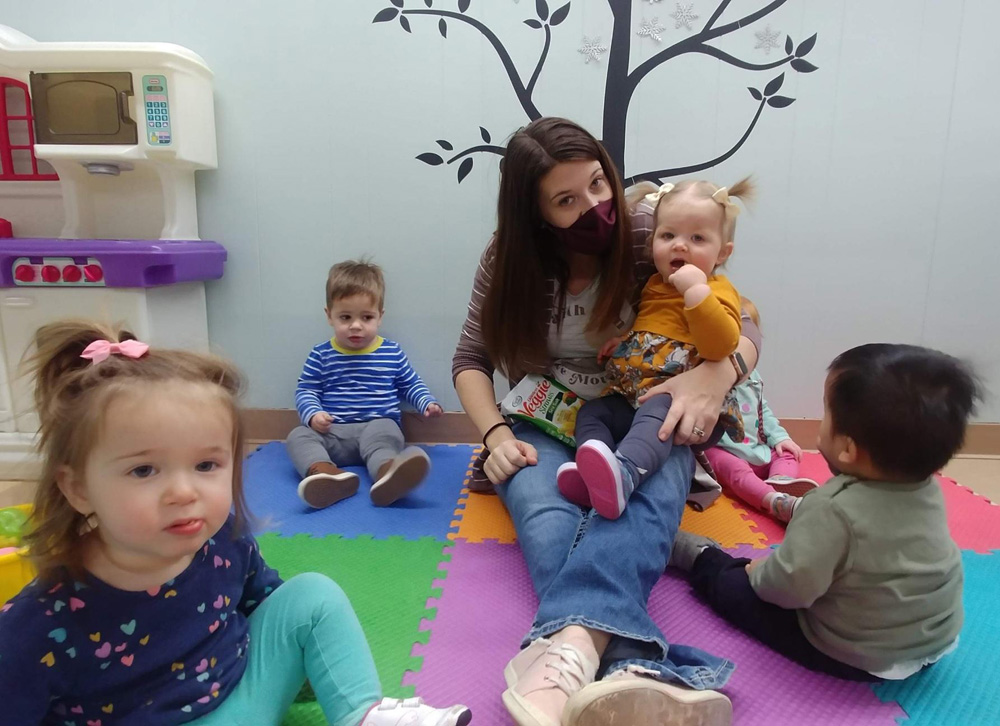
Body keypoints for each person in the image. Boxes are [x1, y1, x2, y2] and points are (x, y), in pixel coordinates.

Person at [0, 320, 470, 726]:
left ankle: (364, 713)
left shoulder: (222, 536)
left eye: (206, 466)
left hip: (241, 697)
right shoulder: (44, 618)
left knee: (311, 595)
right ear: (78, 488)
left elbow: (262, 600)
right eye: (144, 470)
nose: (185, 493)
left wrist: (307, 666)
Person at [452, 117, 763, 726]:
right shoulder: (508, 259)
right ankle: (630, 666)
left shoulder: (652, 227)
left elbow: (745, 319)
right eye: (567, 200)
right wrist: (493, 435)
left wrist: (715, 375)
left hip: (650, 405)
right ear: (535, 214)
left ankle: (566, 655)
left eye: (598, 183)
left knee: (638, 497)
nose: (596, 207)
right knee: (546, 515)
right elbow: (471, 359)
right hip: (547, 414)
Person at [670, 343, 977, 681]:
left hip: (862, 655)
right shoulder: (927, 489)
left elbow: (787, 589)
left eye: (826, 413)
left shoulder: (831, 508)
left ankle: (699, 555)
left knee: (732, 584)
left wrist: (757, 570)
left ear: (847, 448)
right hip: (934, 641)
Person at [557, 178, 751, 520]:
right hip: (635, 393)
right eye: (668, 235)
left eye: (698, 238)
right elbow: (654, 328)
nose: (680, 246)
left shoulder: (717, 290)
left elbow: (721, 345)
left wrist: (696, 294)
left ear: (723, 253)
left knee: (656, 414)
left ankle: (626, 473)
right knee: (593, 413)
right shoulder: (653, 285)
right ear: (652, 242)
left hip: (683, 400)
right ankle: (595, 474)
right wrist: (626, 342)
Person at [286, 260, 443, 509]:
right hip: (334, 433)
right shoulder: (321, 354)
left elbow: (410, 383)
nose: (356, 325)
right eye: (345, 317)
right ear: (329, 315)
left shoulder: (391, 352)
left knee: (386, 435)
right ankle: (326, 474)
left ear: (380, 317)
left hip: (377, 426)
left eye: (366, 317)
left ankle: (388, 475)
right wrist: (313, 414)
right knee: (298, 435)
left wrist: (426, 402)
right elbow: (307, 389)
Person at [702, 297, 817, 523]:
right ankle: (773, 501)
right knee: (733, 469)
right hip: (724, 450)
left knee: (788, 454)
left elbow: (763, 409)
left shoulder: (753, 377)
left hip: (757, 447)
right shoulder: (707, 373)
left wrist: (780, 438)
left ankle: (780, 481)